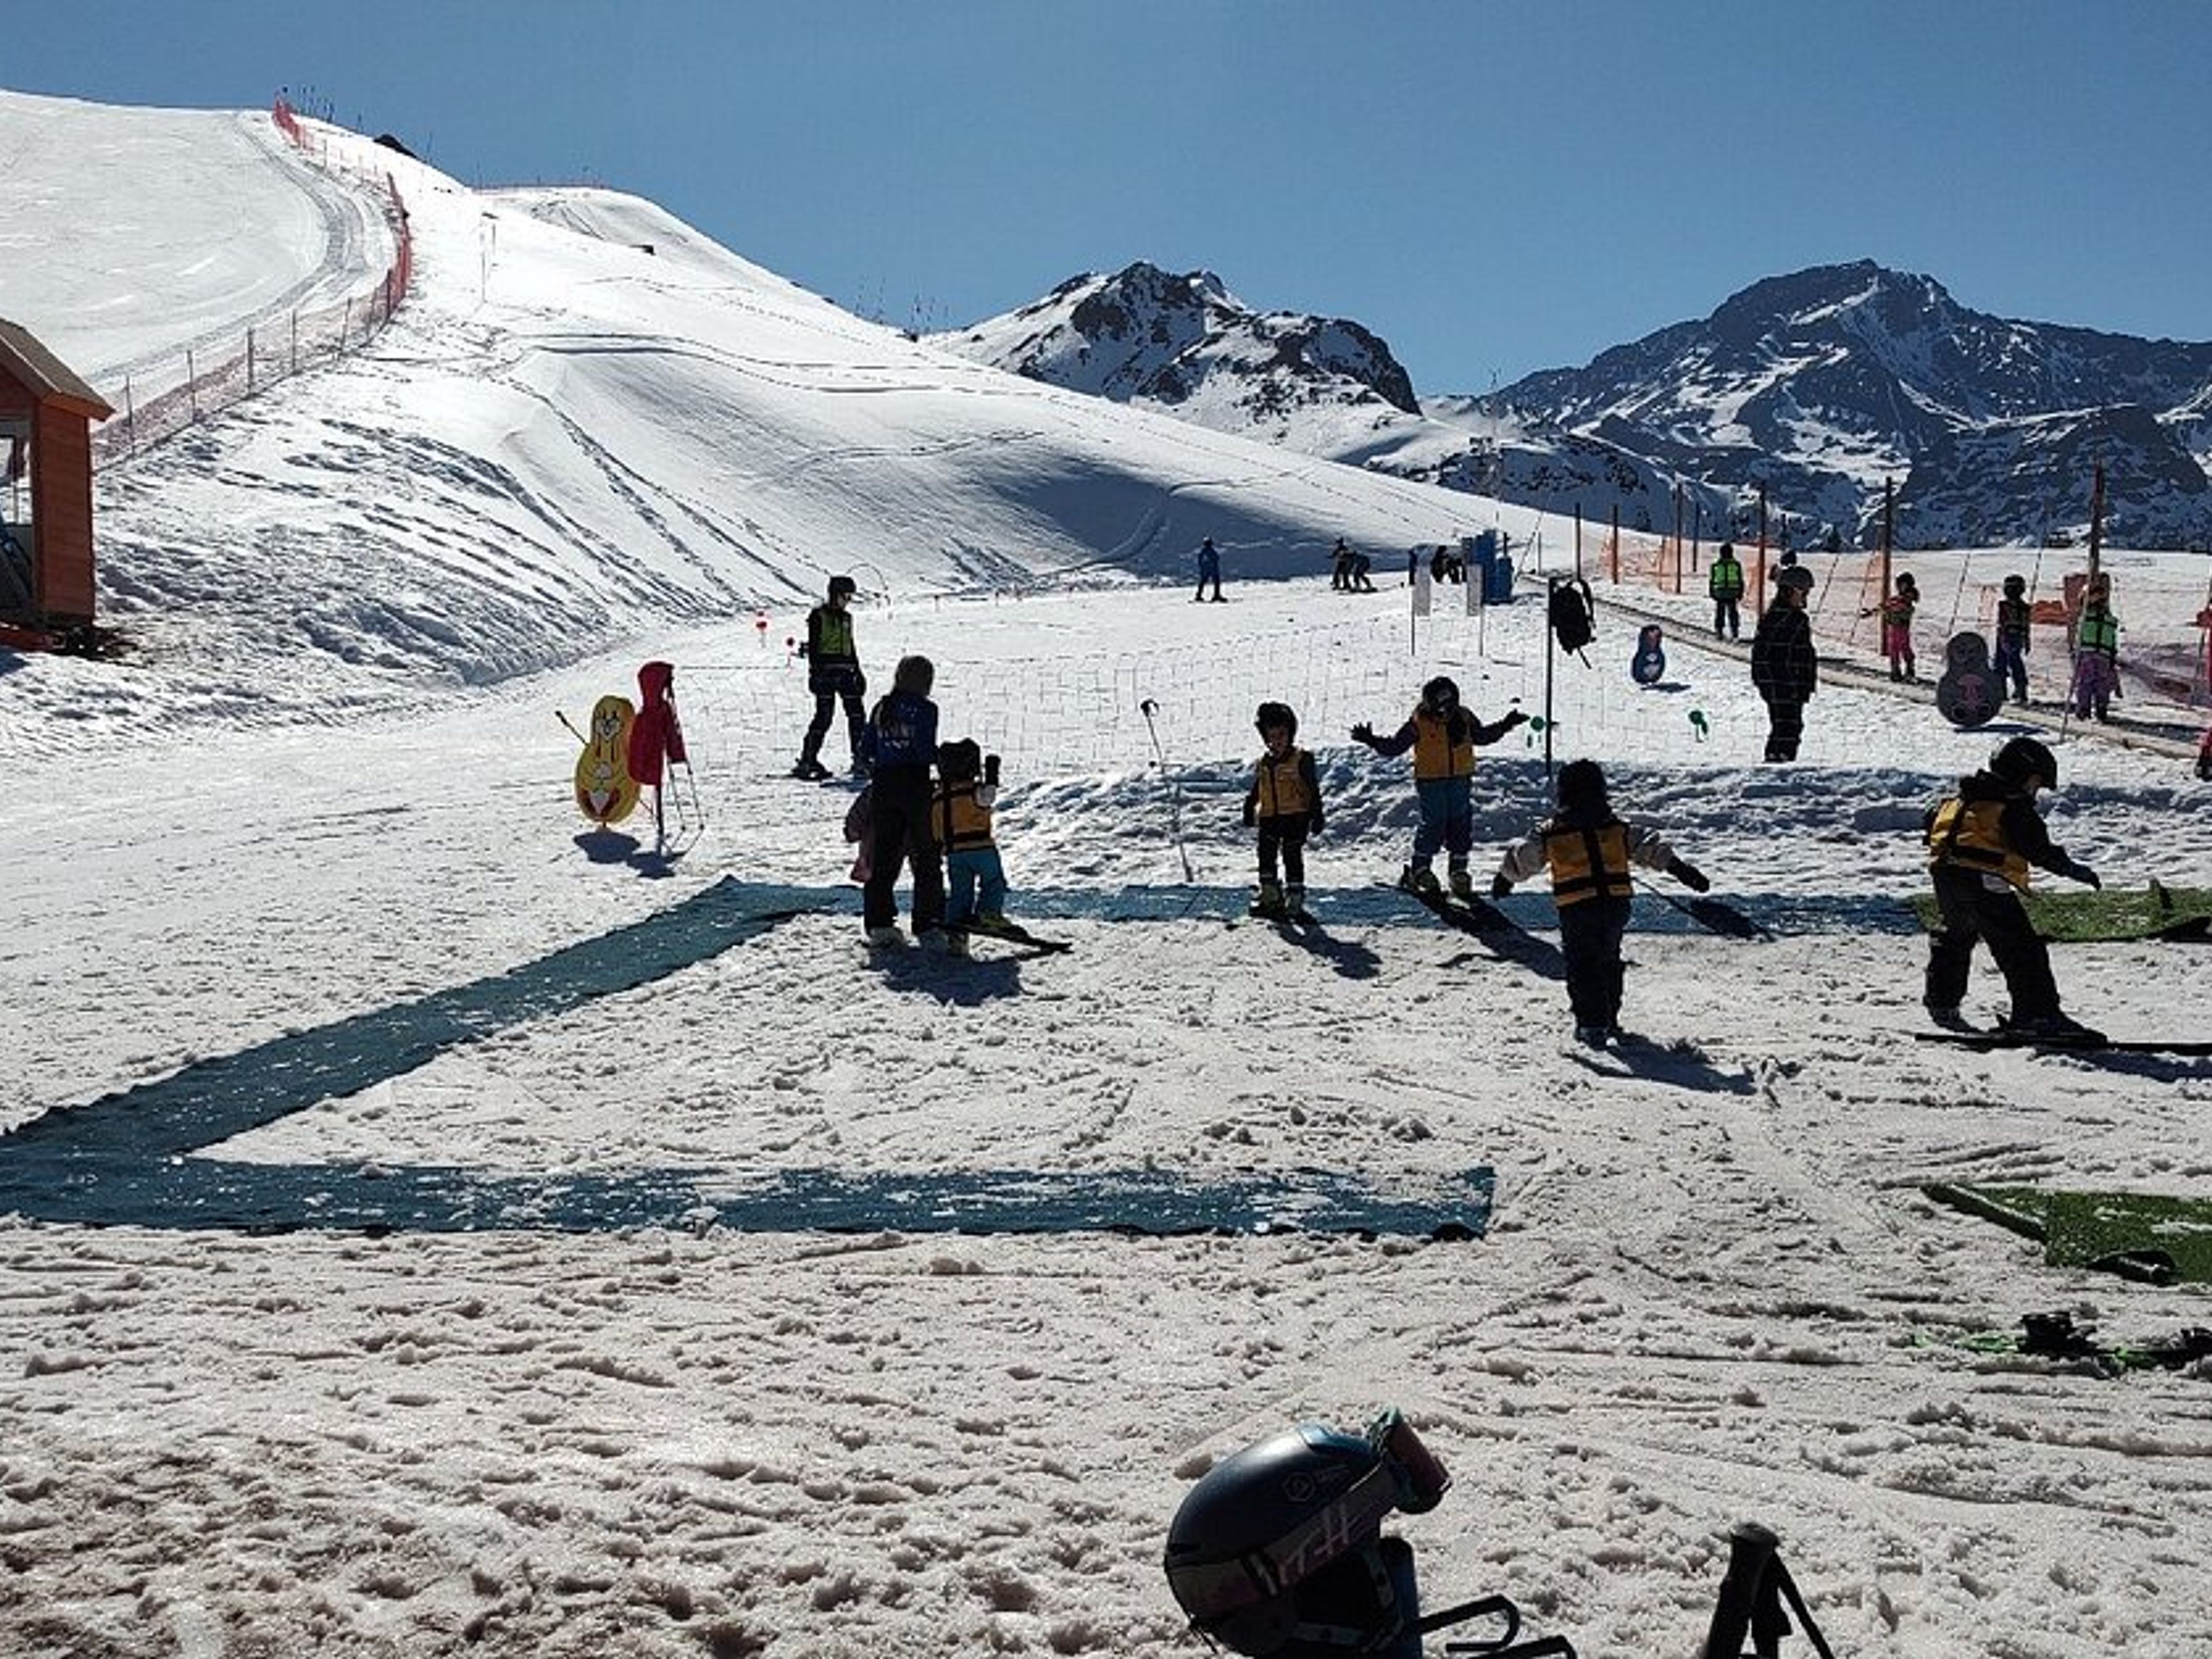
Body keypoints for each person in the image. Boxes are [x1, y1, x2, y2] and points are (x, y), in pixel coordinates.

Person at [1490, 759, 1710, 1046]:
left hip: (1576, 905)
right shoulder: (1616, 826)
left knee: (1582, 964)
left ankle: (1592, 1023)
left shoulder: (1551, 830)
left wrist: (1506, 878)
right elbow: (1649, 846)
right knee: (1608, 958)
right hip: (1615, 904)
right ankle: (1610, 1017)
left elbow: (1526, 858)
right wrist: (1681, 869)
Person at [1922, 735, 2105, 1041]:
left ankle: (1943, 1002)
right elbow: (2038, 849)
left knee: (1955, 937)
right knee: (2021, 948)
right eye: (2035, 783)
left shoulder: (1959, 797)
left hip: (1946, 875)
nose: (2034, 792)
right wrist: (2074, 870)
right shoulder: (2014, 807)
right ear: (2021, 774)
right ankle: (2039, 1015)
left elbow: (1930, 821)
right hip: (1984, 880)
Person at [1352, 676, 1527, 896]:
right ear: (1430, 703)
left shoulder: (1464, 717)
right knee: (1434, 823)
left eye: (1450, 703)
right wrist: (1373, 740)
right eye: (1440, 704)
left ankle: (1458, 872)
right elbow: (1397, 746)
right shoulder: (1420, 722)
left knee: (1460, 823)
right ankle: (1421, 869)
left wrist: (1505, 725)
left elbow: (1481, 736)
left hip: (1460, 779)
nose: (1446, 709)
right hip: (1431, 781)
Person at [861, 654, 945, 948]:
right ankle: (929, 922)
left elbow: (866, 749)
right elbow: (923, 752)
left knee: (884, 856)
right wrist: (942, 758)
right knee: (927, 855)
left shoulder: (881, 707)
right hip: (915, 785)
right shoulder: (926, 710)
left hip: (884, 786)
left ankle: (879, 923)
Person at [1241, 702, 1325, 919]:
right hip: (1269, 817)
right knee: (1265, 855)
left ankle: (1295, 896)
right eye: (1272, 736)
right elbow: (1259, 787)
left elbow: (1312, 788)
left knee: (1292, 854)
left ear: (1291, 733)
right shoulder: (1264, 763)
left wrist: (1317, 814)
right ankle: (1270, 895)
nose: (1277, 740)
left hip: (1295, 817)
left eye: (1282, 734)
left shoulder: (1301, 759)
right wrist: (1250, 806)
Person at [933, 739, 1007, 957]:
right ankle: (988, 914)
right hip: (981, 847)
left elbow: (936, 828)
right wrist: (992, 774)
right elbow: (989, 798)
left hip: (955, 853)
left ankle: (956, 930)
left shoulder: (938, 796)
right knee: (993, 881)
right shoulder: (974, 792)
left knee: (961, 891)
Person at [793, 575, 867, 780]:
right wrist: (814, 673)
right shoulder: (818, 616)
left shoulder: (847, 618)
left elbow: (851, 647)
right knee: (824, 716)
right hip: (825, 673)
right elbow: (814, 646)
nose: (848, 601)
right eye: (846, 596)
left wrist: (858, 671)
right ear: (835, 595)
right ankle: (808, 759)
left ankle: (860, 757)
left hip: (846, 673)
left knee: (857, 715)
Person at [1750, 565, 1819, 762]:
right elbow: (1772, 654)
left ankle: (1776, 765)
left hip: (1782, 685)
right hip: (1786, 685)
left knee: (1784, 728)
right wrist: (1796, 683)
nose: (1805, 597)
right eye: (1804, 592)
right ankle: (1779, 771)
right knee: (1788, 729)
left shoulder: (1774, 617)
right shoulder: (1793, 620)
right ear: (1792, 591)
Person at [2073, 575, 2120, 722]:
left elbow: (2079, 637)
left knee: (2086, 682)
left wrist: (2076, 652)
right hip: (2104, 655)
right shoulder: (2109, 620)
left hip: (2088, 653)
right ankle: (2101, 710)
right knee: (2101, 683)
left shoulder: (2085, 618)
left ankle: (2084, 710)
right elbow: (2112, 639)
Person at [1862, 572, 1919, 681]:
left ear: (1908, 585)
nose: (1899, 587)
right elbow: (1886, 607)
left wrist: (1883, 610)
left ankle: (1900, 670)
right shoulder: (1901, 599)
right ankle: (1905, 669)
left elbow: (1891, 607)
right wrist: (1872, 612)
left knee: (1897, 648)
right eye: (1898, 585)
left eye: (1901, 585)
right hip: (1897, 627)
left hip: (1900, 627)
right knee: (1901, 648)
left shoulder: (1905, 599)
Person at [1993, 573, 2033, 703]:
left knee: (2009, 664)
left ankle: (2015, 691)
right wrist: (2027, 641)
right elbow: (2026, 627)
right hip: (2014, 637)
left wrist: (2027, 641)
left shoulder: (2006, 606)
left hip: (2009, 637)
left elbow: (2004, 623)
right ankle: (2010, 691)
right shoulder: (2024, 607)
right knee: (2008, 664)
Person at [1709, 541, 1746, 641]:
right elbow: (1740, 580)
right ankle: (1735, 631)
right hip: (1733, 593)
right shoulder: (1736, 565)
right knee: (1733, 612)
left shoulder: (1716, 565)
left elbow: (1712, 580)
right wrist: (1741, 592)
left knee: (1720, 613)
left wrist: (1712, 592)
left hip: (1720, 592)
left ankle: (1719, 631)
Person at [1195, 536, 1225, 603]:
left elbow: (1200, 561)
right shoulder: (1211, 551)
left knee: (1202, 583)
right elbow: (1216, 558)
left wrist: (1203, 568)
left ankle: (1198, 596)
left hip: (1204, 571)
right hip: (1213, 570)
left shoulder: (1202, 552)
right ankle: (1216, 596)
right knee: (1217, 582)